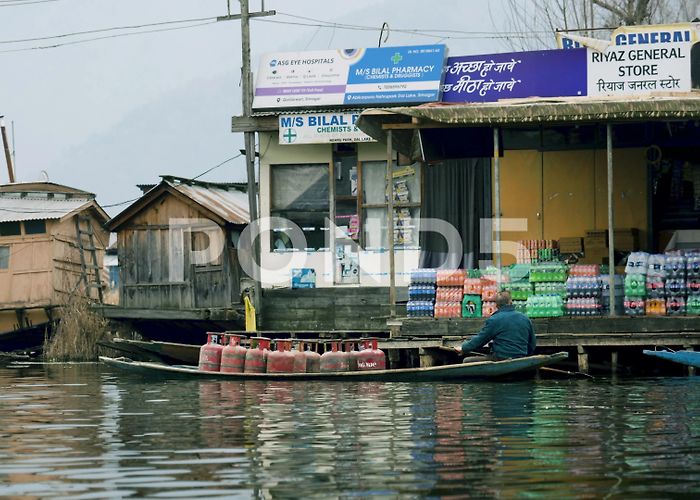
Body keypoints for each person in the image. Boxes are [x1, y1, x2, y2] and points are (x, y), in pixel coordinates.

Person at [456, 290, 536, 362]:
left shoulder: (495, 319)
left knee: (467, 360)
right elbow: (532, 344)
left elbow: (480, 340)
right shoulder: (525, 318)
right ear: (511, 302)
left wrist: (464, 348)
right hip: (521, 358)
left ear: (496, 306)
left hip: (501, 359)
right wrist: (525, 357)